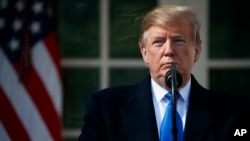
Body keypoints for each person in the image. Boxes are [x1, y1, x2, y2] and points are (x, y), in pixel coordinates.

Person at [78, 5, 250, 141]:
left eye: (179, 41)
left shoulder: (234, 112)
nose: (169, 51)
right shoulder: (106, 108)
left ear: (197, 51)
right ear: (145, 53)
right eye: (159, 42)